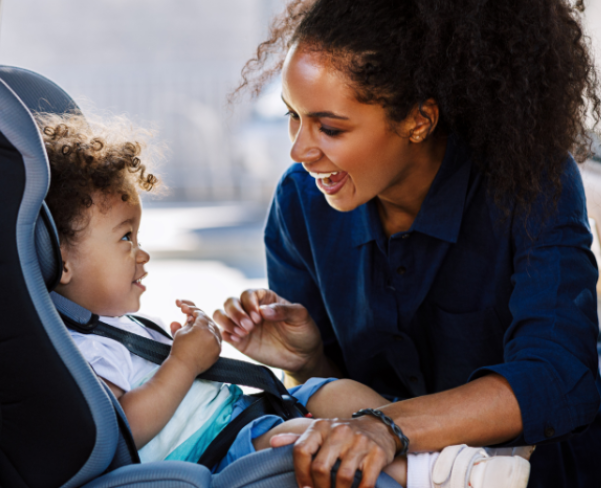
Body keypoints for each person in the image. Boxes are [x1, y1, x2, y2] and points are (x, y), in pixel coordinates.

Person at [214, 1, 601, 487]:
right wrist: (308, 360)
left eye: (329, 127)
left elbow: (558, 377)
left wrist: (388, 427)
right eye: (293, 116)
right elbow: (344, 406)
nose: (299, 150)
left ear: (419, 120)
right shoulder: (300, 203)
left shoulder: (527, 180)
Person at [35, 112, 530, 487]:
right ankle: (440, 475)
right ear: (61, 258)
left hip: (251, 415)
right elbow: (122, 430)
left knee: (331, 391)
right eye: (125, 239)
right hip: (222, 447)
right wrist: (184, 362)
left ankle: (446, 453)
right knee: (308, 439)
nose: (142, 254)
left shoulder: (118, 327)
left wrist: (193, 347)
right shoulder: (78, 351)